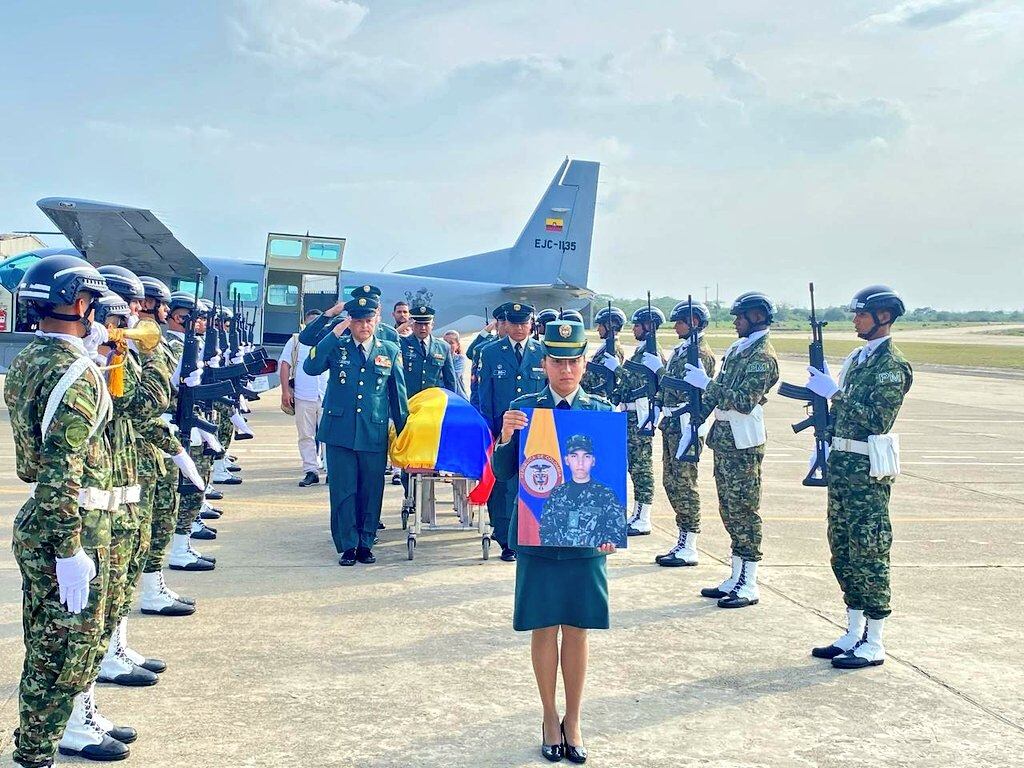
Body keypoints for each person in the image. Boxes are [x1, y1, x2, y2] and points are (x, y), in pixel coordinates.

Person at [6, 254, 135, 764]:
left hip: (48, 517)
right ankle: (37, 750)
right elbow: (65, 469)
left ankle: (63, 730)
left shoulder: (29, 359)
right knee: (63, 649)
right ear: (79, 303)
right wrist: (70, 550)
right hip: (72, 522)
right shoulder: (76, 374)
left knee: (52, 640)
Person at [493, 319, 617, 764]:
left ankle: (575, 718)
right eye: (557, 360)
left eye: (573, 360)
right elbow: (505, 473)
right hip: (538, 536)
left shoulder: (601, 413)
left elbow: (611, 478)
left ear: (584, 364)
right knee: (544, 626)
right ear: (544, 363)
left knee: (578, 629)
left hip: (585, 542)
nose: (566, 369)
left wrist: (610, 530)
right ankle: (549, 716)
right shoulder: (524, 408)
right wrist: (506, 436)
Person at [804, 286, 912, 670]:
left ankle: (876, 640)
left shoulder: (891, 367)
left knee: (870, 551)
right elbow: (842, 417)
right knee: (843, 550)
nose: (855, 320)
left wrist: (835, 394)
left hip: (867, 472)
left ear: (883, 317)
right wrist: (821, 408)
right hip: (843, 468)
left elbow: (875, 420)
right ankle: (853, 631)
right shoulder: (858, 359)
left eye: (861, 314)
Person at [684, 291, 779, 609]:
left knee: (744, 512)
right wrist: (694, 421)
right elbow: (716, 395)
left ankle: (749, 582)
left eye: (740, 316)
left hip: (743, 442)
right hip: (724, 439)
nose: (735, 321)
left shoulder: (762, 357)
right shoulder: (740, 350)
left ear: (756, 317)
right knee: (728, 509)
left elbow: (742, 400)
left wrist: (706, 384)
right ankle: (736, 575)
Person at [303, 294, 408, 566]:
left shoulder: (389, 350)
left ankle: (366, 542)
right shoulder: (337, 347)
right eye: (358, 321)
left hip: (373, 431)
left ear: (376, 321)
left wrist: (404, 431)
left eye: (368, 321)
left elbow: (398, 396)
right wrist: (334, 333)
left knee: (371, 490)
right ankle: (348, 545)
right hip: (339, 432)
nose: (364, 326)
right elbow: (311, 366)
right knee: (343, 490)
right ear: (350, 323)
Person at [137, 277, 201, 616]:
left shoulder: (153, 343)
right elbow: (144, 402)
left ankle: (154, 587)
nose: (162, 310)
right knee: (149, 525)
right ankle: (150, 591)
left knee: (161, 517)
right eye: (158, 304)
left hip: (159, 436)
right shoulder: (138, 345)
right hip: (147, 443)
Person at [477, 302, 546, 562]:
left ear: (531, 324)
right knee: (504, 485)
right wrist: (491, 432)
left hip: (536, 430)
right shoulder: (491, 352)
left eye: (524, 323)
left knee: (532, 482)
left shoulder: (542, 351)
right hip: (503, 430)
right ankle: (506, 538)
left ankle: (530, 533)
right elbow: (486, 397)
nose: (519, 328)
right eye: (514, 323)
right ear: (506, 323)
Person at [655, 300, 716, 567]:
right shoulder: (682, 351)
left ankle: (689, 543)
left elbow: (703, 393)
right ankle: (682, 537)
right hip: (671, 423)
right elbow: (668, 384)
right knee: (671, 482)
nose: (675, 326)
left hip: (686, 424)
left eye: (680, 321)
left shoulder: (701, 354)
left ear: (694, 322)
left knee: (684, 483)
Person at [614, 305, 667, 536]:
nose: (633, 329)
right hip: (629, 414)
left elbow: (663, 387)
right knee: (633, 467)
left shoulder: (654, 355)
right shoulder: (640, 352)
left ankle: (643, 517)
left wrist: (659, 369)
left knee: (642, 468)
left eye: (637, 325)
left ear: (649, 327)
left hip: (641, 417)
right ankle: (636, 513)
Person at [539, 434, 625, 548]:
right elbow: (546, 530)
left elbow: (617, 530)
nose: (580, 462)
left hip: (591, 558)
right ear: (567, 460)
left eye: (586, 456)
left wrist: (610, 545)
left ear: (593, 461)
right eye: (574, 456)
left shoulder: (606, 495)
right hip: (559, 558)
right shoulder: (557, 494)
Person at [280, 309, 329, 487]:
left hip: (327, 395)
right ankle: (311, 470)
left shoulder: (330, 339)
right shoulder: (296, 341)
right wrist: (285, 391)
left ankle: (331, 471)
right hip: (303, 395)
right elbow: (285, 364)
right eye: (311, 323)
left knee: (329, 435)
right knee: (306, 435)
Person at [580, 305, 626, 399]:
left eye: (600, 325)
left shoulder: (614, 349)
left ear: (610, 325)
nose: (598, 329)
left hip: (598, 396)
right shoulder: (606, 346)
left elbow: (604, 376)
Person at [442, 330, 469, 398]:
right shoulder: (438, 358)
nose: (448, 345)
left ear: (457, 345)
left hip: (457, 396)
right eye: (445, 342)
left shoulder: (459, 359)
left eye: (451, 343)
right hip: (441, 395)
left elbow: (453, 376)